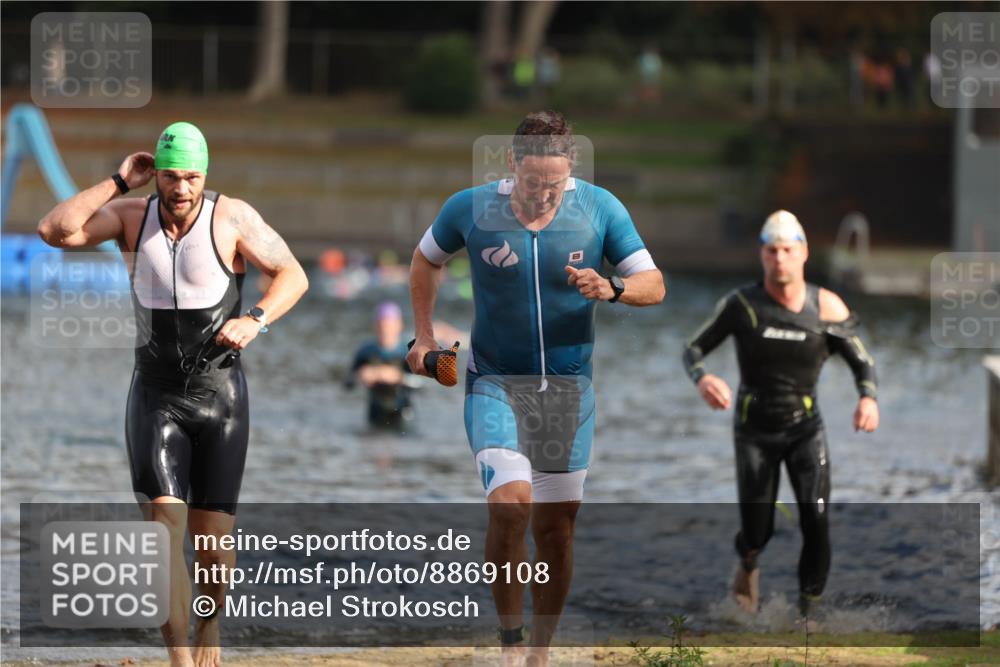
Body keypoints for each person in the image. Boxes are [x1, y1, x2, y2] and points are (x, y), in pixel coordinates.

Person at [37, 122, 309, 667]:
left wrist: (255, 319)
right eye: (168, 176)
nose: (180, 188)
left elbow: (292, 275)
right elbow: (55, 230)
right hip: (155, 396)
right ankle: (180, 661)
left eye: (190, 176)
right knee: (163, 534)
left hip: (221, 398)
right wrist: (119, 180)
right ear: (154, 175)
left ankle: (209, 629)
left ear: (204, 175)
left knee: (212, 547)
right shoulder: (132, 219)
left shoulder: (231, 217)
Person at [407, 111, 665, 666]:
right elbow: (426, 261)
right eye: (533, 183)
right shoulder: (470, 208)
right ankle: (509, 643)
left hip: (569, 392)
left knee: (556, 530)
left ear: (571, 169)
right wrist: (424, 336)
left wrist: (613, 286)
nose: (545, 195)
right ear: (511, 165)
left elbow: (655, 284)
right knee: (510, 506)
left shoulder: (600, 208)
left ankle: (540, 654)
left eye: (556, 184)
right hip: (494, 379)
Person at [681, 210, 879, 621]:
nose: (780, 259)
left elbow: (863, 363)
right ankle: (749, 561)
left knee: (817, 518)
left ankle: (810, 616)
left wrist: (867, 399)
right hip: (754, 432)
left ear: (803, 252)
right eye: (771, 251)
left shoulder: (827, 306)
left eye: (788, 250)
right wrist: (702, 379)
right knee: (758, 532)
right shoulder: (742, 305)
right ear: (762, 255)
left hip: (805, 430)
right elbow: (693, 349)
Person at [347, 301, 416, 432]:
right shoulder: (366, 352)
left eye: (389, 326)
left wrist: (398, 377)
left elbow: (422, 385)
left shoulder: (409, 352)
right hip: (375, 413)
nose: (385, 331)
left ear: (399, 325)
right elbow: (347, 384)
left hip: (404, 414)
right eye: (381, 326)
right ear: (375, 326)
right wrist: (359, 376)